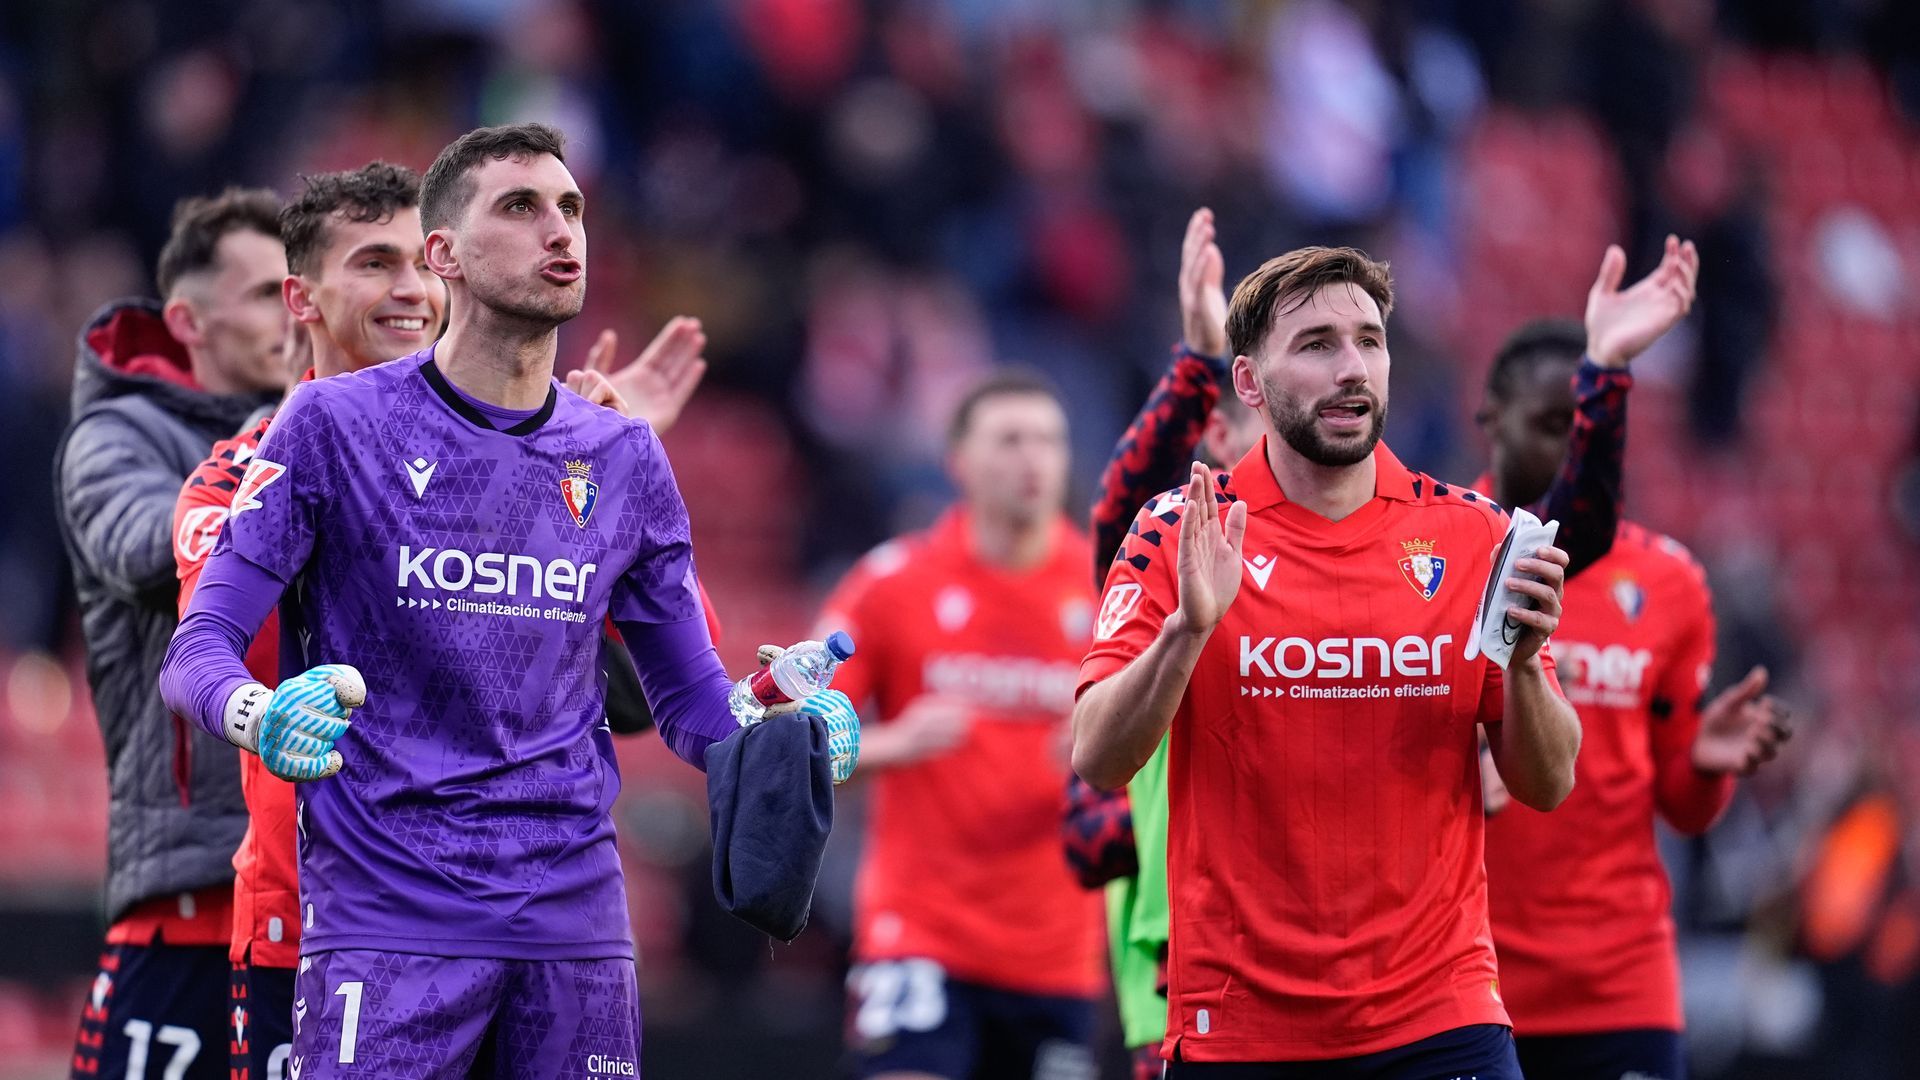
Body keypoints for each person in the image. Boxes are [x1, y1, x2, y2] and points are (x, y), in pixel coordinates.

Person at [157, 123, 853, 1078]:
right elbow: (196, 649)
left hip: (576, 932)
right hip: (387, 923)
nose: (560, 230)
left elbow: (694, 710)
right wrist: (258, 712)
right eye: (520, 208)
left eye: (570, 207)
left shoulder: (625, 455)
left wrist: (786, 730)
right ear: (442, 255)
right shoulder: (331, 425)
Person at [1067, 210, 1656, 1077]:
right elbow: (1098, 759)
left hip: (1440, 1013)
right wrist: (1189, 632)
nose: (1351, 369)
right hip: (1241, 1025)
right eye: (1315, 344)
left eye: (1369, 341)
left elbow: (1548, 781)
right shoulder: (1177, 531)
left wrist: (1527, 666)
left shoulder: (1476, 536)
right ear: (1251, 381)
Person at [169, 162, 445, 1080]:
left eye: (424, 261)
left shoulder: (526, 452)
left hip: (498, 918)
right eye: (375, 263)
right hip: (311, 922)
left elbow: (633, 685)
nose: (410, 289)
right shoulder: (235, 477)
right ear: (303, 297)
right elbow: (217, 652)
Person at [1477, 311, 1792, 1079]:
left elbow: (1683, 806)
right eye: (1550, 424)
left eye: (1586, 429)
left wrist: (1708, 766)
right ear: (1491, 419)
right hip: (1466, 987)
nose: (1570, 449)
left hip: (1621, 988)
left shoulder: (1670, 582)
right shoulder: (1442, 558)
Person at [55, 188, 290, 1080]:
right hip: (189, 903)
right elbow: (149, 551)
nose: (292, 310)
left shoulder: (337, 437)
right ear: (189, 319)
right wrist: (285, 432)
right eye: (268, 293)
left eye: (297, 288)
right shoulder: (117, 433)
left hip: (325, 908)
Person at [822, 371, 1103, 1080]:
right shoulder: (893, 583)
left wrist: (1115, 746)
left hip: (1059, 953)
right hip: (920, 934)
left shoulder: (1110, 588)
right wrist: (892, 743)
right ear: (960, 462)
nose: (1033, 459)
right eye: (1009, 440)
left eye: (1048, 440)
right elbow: (796, 746)